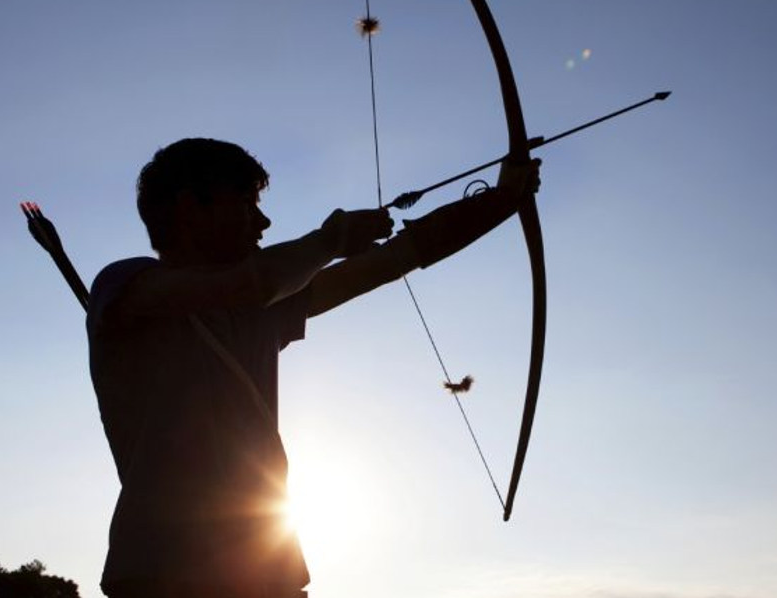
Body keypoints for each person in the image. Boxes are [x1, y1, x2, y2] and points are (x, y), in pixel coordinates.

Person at [86, 138, 539, 598]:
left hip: (269, 570)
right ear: (189, 209)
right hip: (164, 569)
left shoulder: (261, 310)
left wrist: (500, 200)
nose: (263, 222)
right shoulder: (124, 286)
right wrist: (332, 240)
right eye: (246, 204)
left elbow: (394, 259)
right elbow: (255, 282)